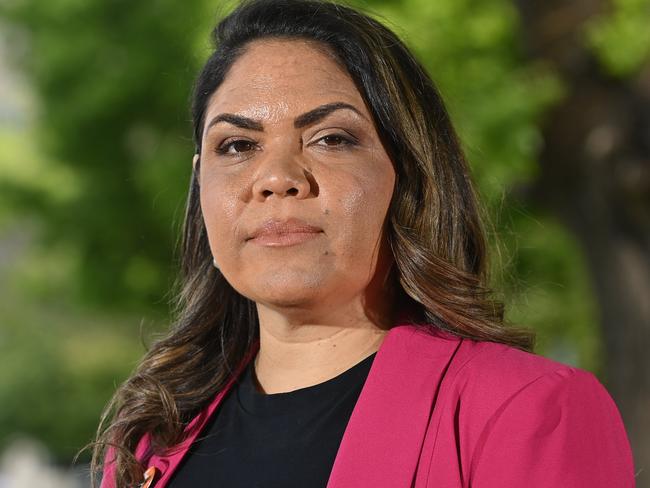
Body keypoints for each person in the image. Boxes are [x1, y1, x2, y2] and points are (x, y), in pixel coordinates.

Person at [94, 0, 636, 486]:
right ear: (200, 186)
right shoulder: (154, 435)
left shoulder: (526, 410)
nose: (277, 177)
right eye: (236, 146)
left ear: (408, 174)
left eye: (331, 138)